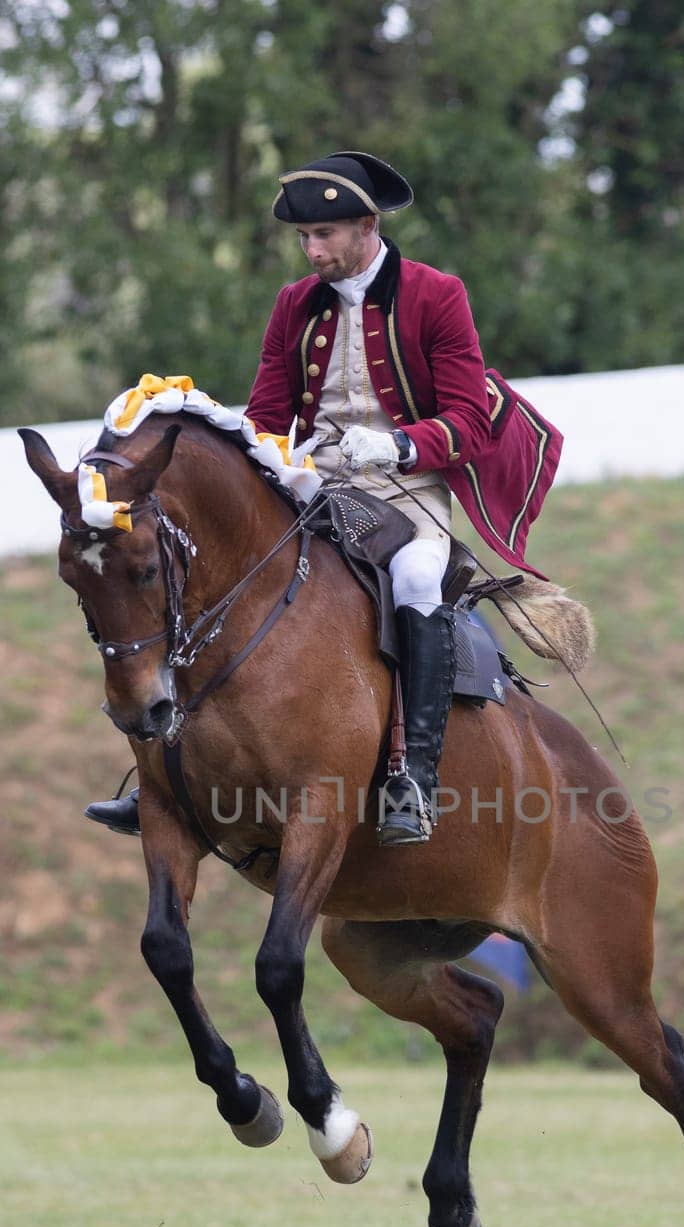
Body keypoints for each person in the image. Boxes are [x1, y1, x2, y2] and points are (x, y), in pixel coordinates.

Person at [86, 150, 561, 845]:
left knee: (416, 577)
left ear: (366, 226)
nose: (312, 251)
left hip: (406, 486)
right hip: (314, 484)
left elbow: (466, 417)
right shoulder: (293, 305)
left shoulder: (436, 294)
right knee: (205, 576)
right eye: (304, 238)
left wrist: (399, 446)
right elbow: (271, 413)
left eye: (325, 236)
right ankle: (162, 776)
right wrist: (274, 459)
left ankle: (413, 776)